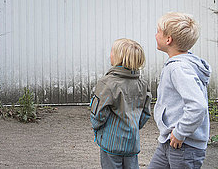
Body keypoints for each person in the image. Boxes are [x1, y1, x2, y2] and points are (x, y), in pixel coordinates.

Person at [148, 12, 211, 169]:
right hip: (168, 141)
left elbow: (198, 106)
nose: (155, 35)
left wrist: (180, 133)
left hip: (183, 146)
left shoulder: (179, 68)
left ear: (168, 40)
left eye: (158, 32)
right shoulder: (179, 64)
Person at [90, 38, 152, 169]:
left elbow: (98, 115)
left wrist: (97, 128)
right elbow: (146, 112)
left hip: (111, 143)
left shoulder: (107, 83)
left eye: (112, 51)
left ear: (118, 58)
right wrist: (133, 126)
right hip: (132, 144)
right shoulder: (142, 84)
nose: (110, 54)